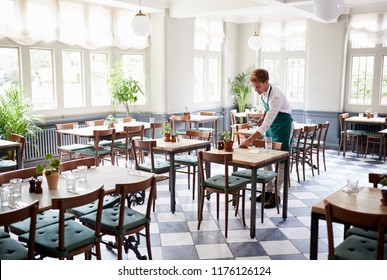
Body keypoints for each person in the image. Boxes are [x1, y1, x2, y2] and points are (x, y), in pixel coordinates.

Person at [239, 68, 293, 208]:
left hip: (283, 127)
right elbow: (268, 109)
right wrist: (262, 117)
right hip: (272, 125)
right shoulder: (264, 92)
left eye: (257, 86)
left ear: (266, 82)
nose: (255, 90)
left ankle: (276, 195)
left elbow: (266, 125)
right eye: (254, 87)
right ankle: (267, 192)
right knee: (267, 156)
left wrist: (249, 140)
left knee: (280, 162)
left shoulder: (276, 96)